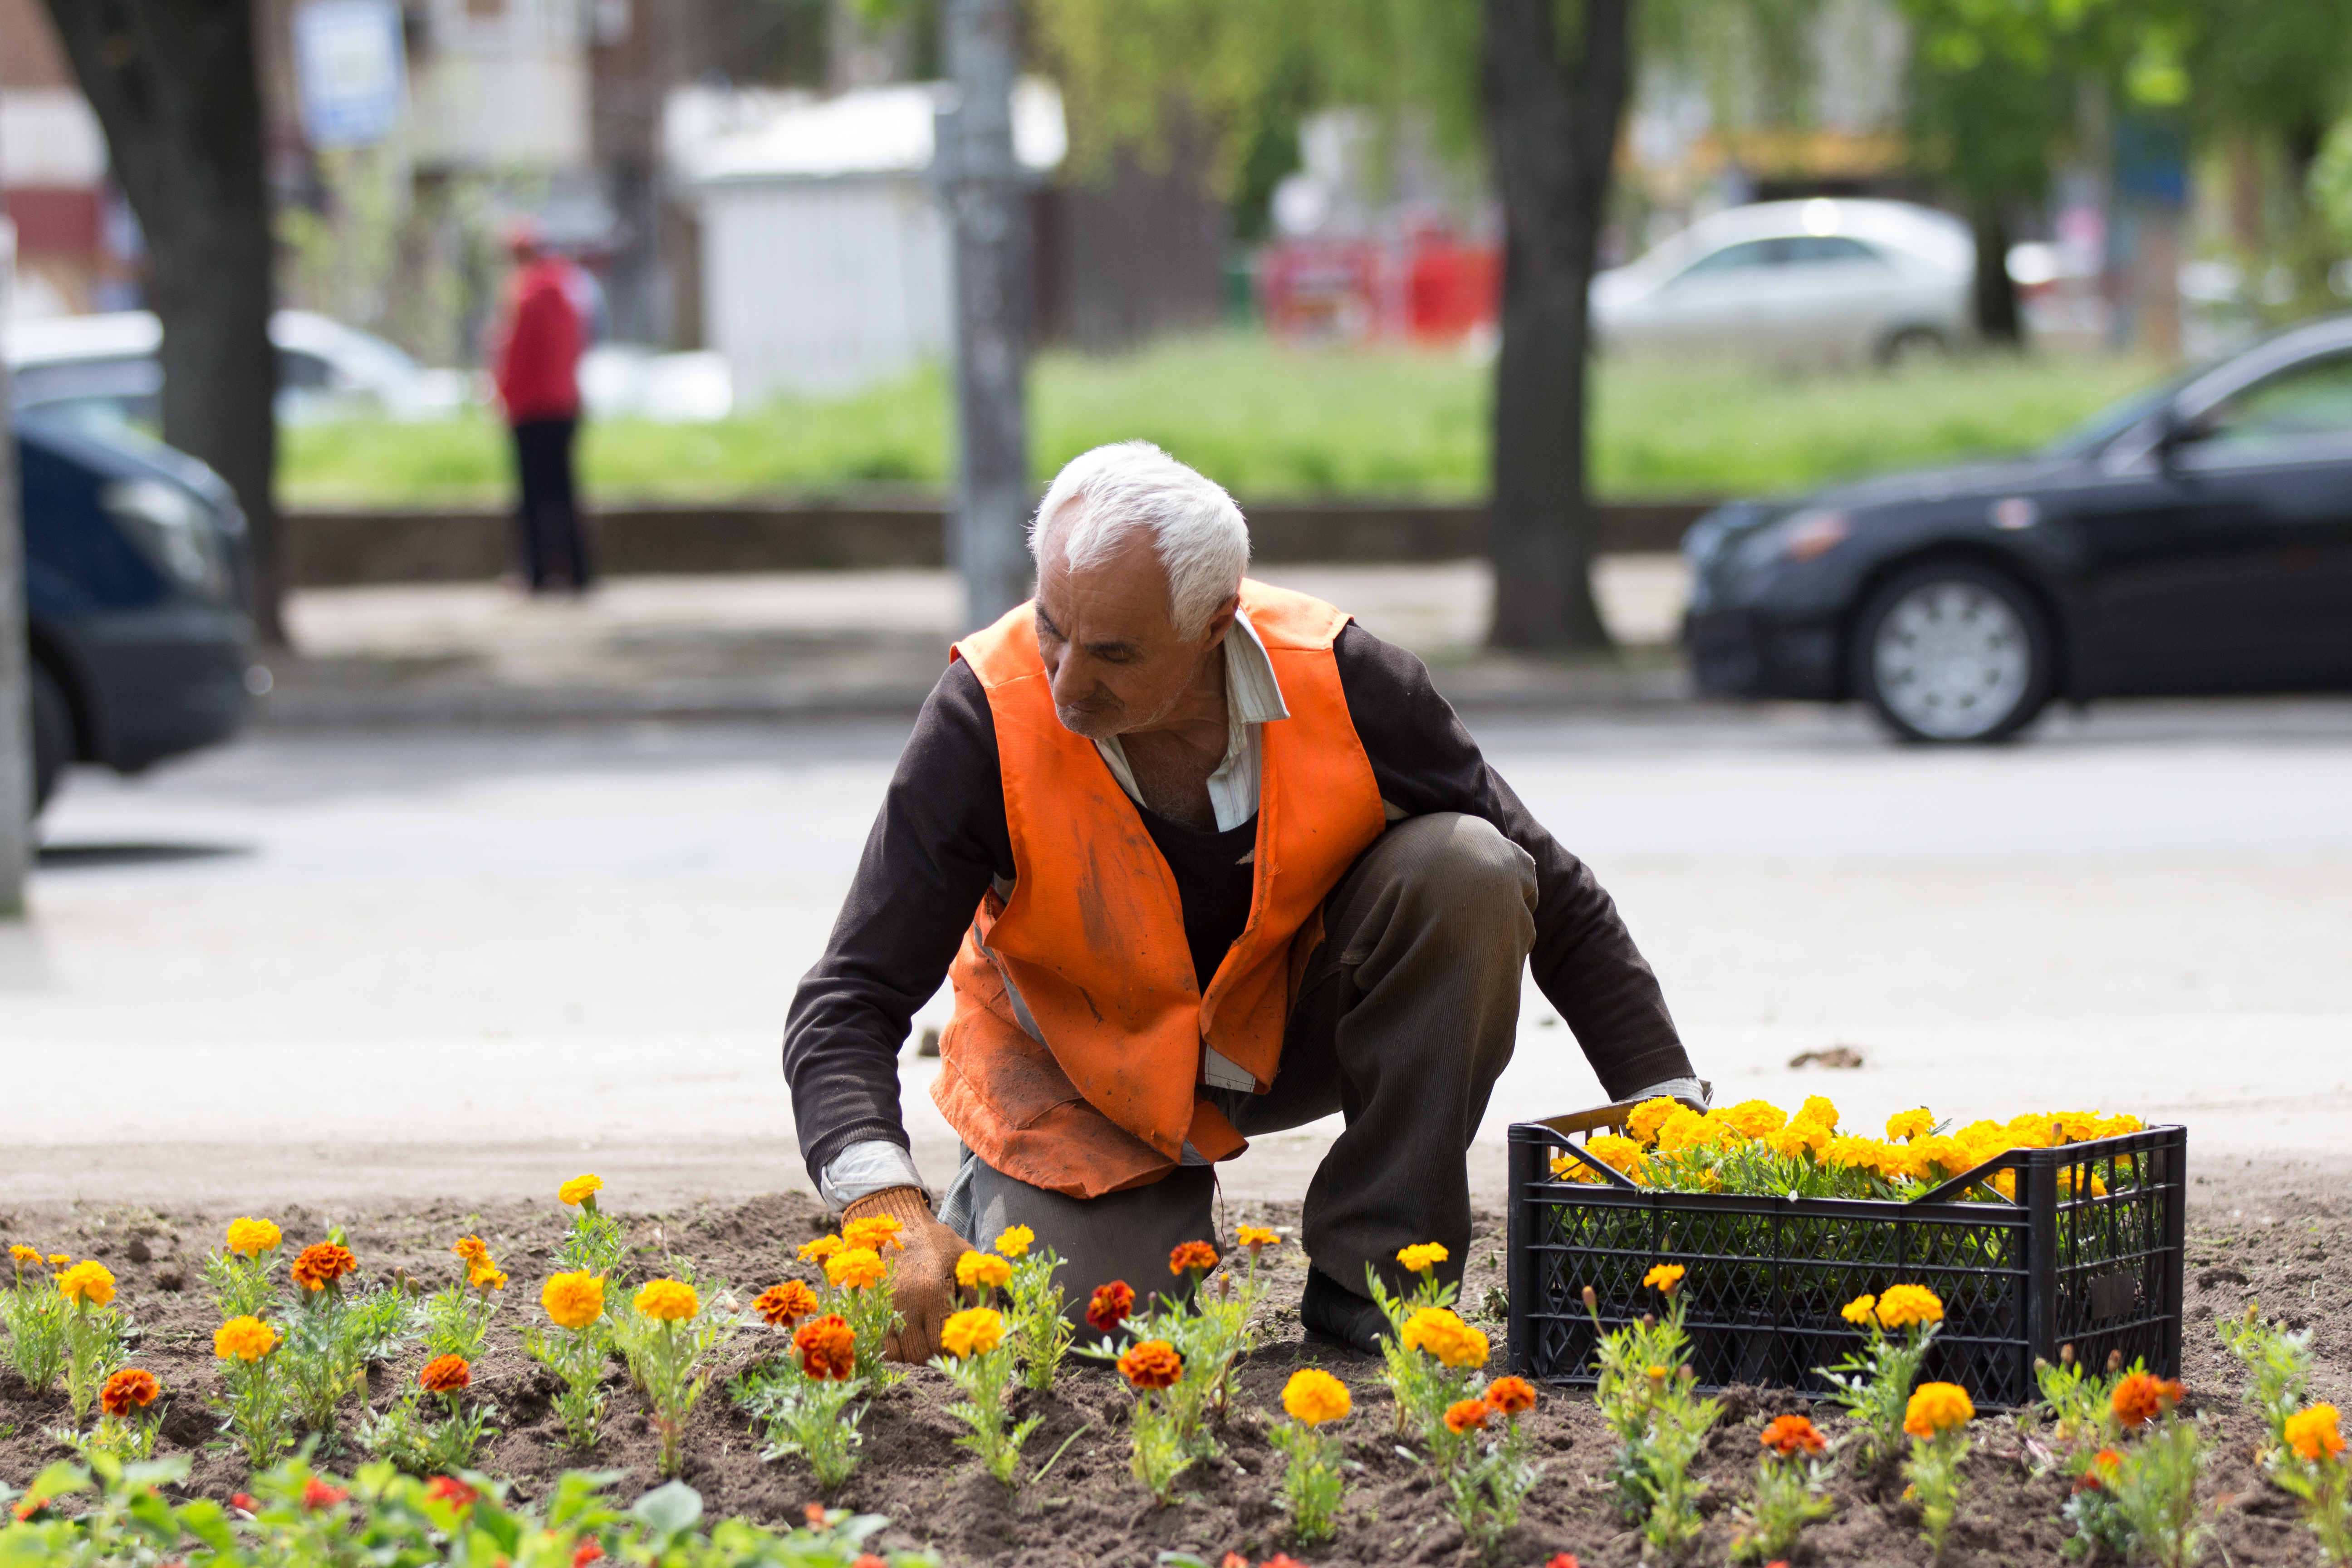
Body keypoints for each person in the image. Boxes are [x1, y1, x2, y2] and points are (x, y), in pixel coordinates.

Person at [781, 441, 1704, 1359]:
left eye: (1113, 655)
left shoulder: (1348, 682)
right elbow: (847, 1000)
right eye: (1052, 628)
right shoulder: (981, 717)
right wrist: (884, 1210)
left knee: (1476, 870)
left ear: (1215, 623)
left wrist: (1680, 1135)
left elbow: (1560, 899)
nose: (1064, 686)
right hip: (1078, 1071)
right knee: (1096, 1331)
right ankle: (999, 1202)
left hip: (1279, 1035)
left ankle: (1372, 1291)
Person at [490, 224, 593, 593]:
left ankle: (534, 572)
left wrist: (502, 394)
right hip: (564, 403)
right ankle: (579, 572)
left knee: (533, 494)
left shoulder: (525, 296)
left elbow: (516, 355)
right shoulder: (569, 291)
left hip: (531, 407)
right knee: (564, 490)